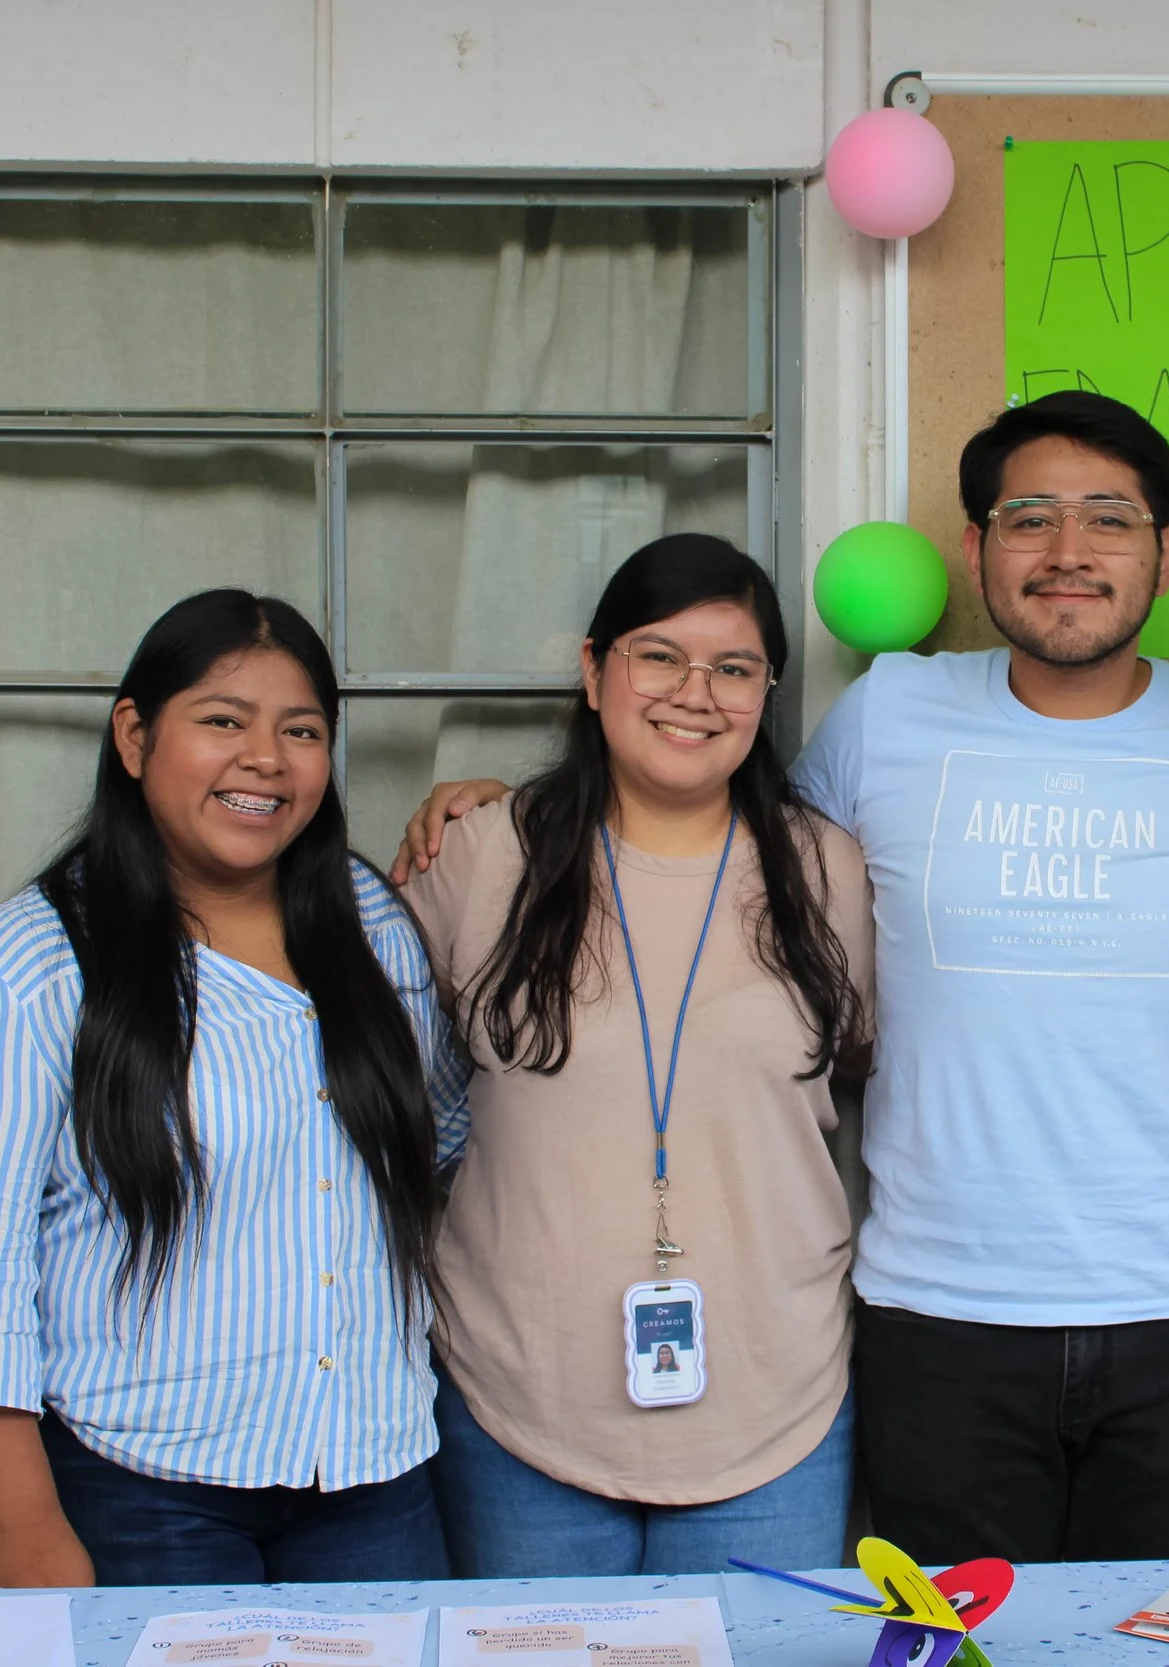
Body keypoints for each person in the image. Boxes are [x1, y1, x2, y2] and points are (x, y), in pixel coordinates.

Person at [395, 394, 1169, 1563]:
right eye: (1030, 517)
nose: (1068, 553)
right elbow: (725, 862)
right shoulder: (889, 716)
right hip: (935, 1304)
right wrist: (493, 810)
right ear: (974, 550)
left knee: (1162, 1644)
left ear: (1165, 552)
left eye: (1108, 520)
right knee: (949, 1649)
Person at [0, 590, 468, 1587]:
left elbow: (450, 1130)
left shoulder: (373, 922)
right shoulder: (24, 968)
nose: (266, 757)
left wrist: (499, 823)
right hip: (143, 1491)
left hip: (379, 1476)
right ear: (133, 733)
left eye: (302, 730)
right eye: (221, 720)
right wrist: (25, 1529)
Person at [403, 533, 873, 1577]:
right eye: (658, 655)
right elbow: (365, 1066)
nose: (694, 693)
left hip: (771, 1402)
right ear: (592, 670)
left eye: (735, 667)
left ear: (766, 691)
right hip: (515, 1395)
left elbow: (869, 1059)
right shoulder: (485, 855)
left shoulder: (824, 869)